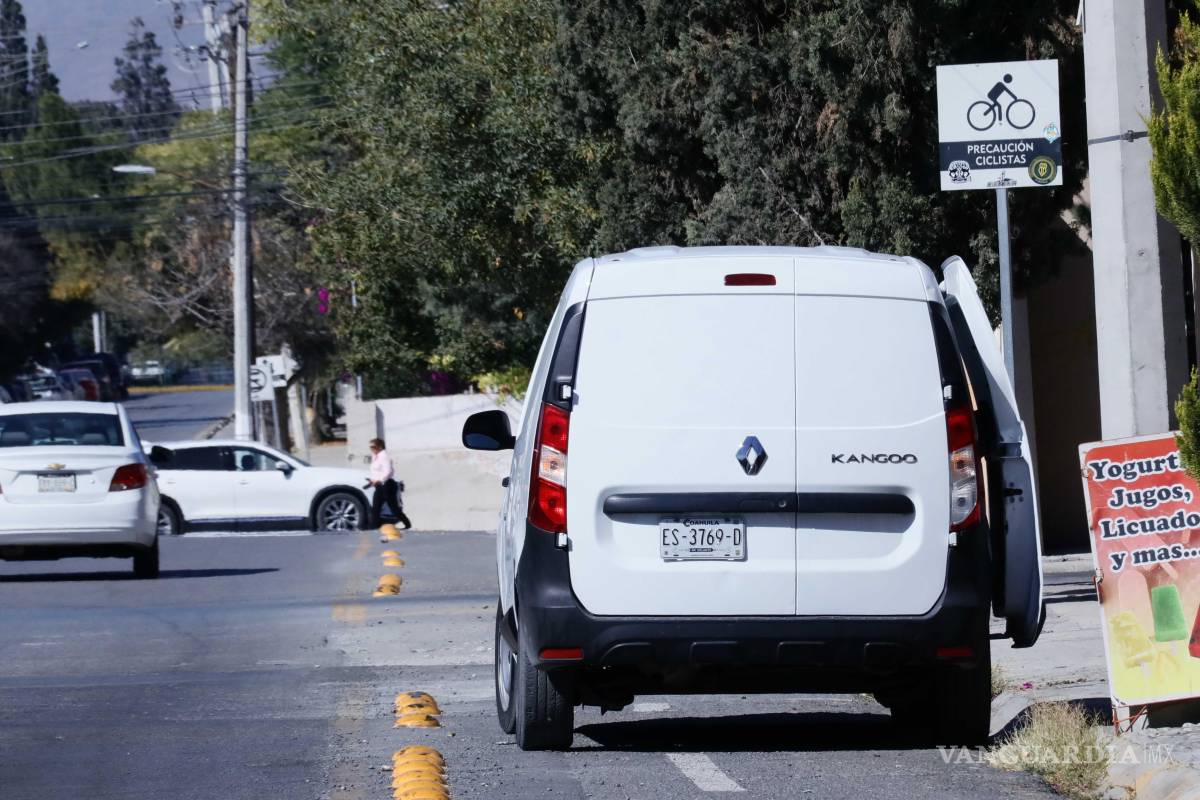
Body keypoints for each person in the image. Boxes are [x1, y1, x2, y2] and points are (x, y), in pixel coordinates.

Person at [368, 437, 411, 529]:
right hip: (380, 486)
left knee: (393, 507)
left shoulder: (384, 456)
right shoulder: (375, 457)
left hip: (387, 485)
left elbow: (388, 471)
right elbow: (377, 471)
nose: (371, 449)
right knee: (376, 507)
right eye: (370, 447)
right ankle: (375, 527)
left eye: (373, 447)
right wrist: (373, 480)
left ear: (379, 447)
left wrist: (380, 479)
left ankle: (407, 524)